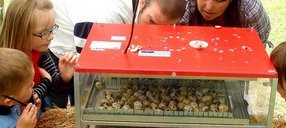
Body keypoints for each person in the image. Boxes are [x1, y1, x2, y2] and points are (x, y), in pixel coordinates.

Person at [48, 0, 187, 108]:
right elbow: (88, 69)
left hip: (101, 28)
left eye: (163, 28)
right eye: (151, 21)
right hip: (65, 42)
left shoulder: (142, 11)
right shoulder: (106, 16)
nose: (153, 32)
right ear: (143, 2)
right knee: (82, 96)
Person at [0, 0, 77, 110]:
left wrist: (64, 77)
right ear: (21, 33)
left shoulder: (39, 51)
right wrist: (46, 81)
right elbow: (27, 100)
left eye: (52, 29)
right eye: (44, 32)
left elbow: (53, 83)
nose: (51, 37)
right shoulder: (7, 64)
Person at [179, 0, 271, 47]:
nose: (209, 7)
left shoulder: (251, 10)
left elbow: (257, 53)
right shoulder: (183, 5)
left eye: (219, 0)